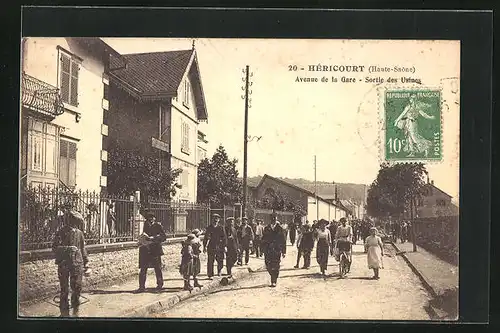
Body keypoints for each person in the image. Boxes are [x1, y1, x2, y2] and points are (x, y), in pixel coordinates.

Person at [52, 210, 88, 317]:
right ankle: (64, 312)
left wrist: (86, 263)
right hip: (64, 264)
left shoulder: (79, 233)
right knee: (64, 288)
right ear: (69, 221)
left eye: (76, 222)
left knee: (77, 286)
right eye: (73, 221)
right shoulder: (61, 232)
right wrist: (68, 249)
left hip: (77, 264)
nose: (74, 224)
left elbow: (83, 249)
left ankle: (75, 307)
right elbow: (54, 248)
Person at [394, 93, 435, 157]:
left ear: (416, 99)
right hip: (407, 123)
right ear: (410, 99)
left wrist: (430, 117)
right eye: (411, 98)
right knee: (409, 137)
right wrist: (397, 120)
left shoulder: (417, 107)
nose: (412, 100)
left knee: (414, 137)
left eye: (414, 98)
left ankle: (426, 147)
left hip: (413, 123)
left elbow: (423, 114)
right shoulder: (408, 106)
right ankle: (412, 152)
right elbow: (402, 114)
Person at [137, 212, 167, 292]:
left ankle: (160, 285)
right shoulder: (144, 225)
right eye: (148, 218)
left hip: (155, 250)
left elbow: (163, 237)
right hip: (145, 250)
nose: (150, 219)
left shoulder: (158, 226)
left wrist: (153, 238)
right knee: (143, 269)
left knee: (157, 268)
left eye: (152, 217)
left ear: (154, 218)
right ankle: (141, 287)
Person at [262, 213, 287, 287]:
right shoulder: (267, 228)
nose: (274, 220)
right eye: (272, 218)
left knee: (276, 265)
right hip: (268, 250)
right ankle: (272, 275)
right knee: (268, 264)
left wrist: (283, 251)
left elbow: (283, 240)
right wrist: (262, 249)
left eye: (275, 218)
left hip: (277, 249)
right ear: (270, 219)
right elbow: (263, 239)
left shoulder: (280, 229)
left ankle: (274, 280)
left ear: (276, 219)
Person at [203, 213, 227, 279]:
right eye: (214, 219)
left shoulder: (221, 227)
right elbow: (206, 238)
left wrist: (225, 246)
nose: (215, 221)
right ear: (212, 220)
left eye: (217, 219)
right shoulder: (209, 228)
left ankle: (219, 271)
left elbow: (224, 237)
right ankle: (210, 274)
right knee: (210, 260)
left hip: (219, 246)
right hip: (211, 246)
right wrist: (204, 246)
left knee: (220, 260)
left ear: (219, 220)